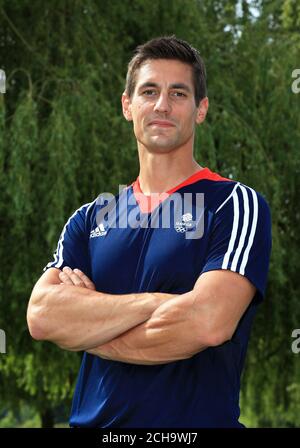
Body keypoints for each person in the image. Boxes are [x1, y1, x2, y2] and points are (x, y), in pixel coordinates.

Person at [27, 36, 272, 428]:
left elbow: (208, 322)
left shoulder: (233, 204)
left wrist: (90, 329)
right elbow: (42, 316)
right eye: (149, 91)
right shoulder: (90, 218)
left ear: (201, 109)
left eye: (178, 93)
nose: (162, 105)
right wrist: (157, 303)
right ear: (128, 105)